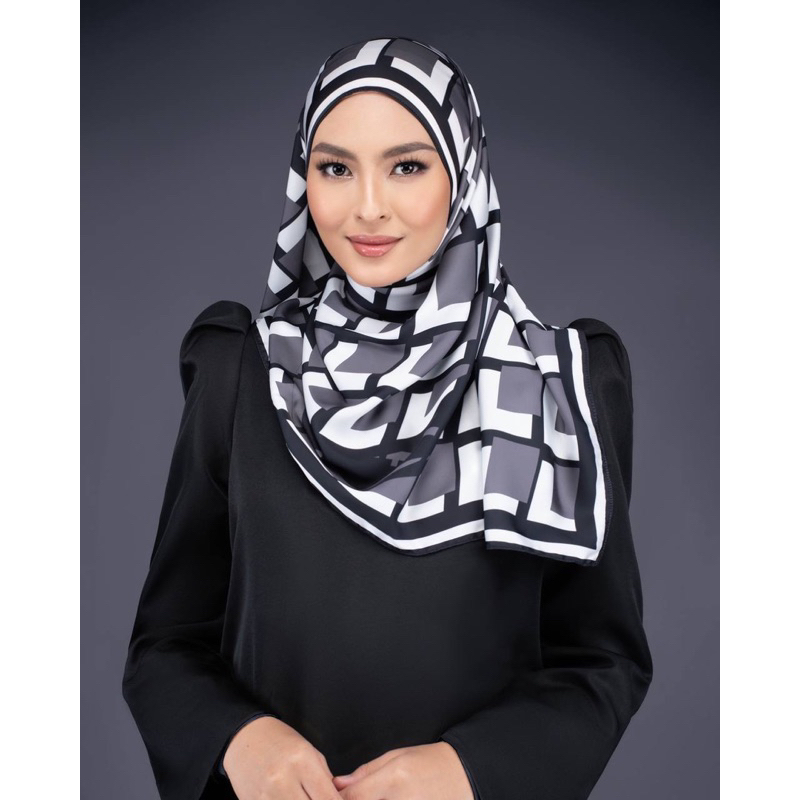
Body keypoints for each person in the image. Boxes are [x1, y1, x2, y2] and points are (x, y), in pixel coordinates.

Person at [121, 36, 653, 800]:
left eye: (407, 166)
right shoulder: (247, 371)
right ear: (304, 178)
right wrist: (237, 738)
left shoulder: (554, 386)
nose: (367, 206)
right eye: (336, 168)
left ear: (462, 175)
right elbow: (166, 646)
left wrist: (470, 769)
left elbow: (602, 661)